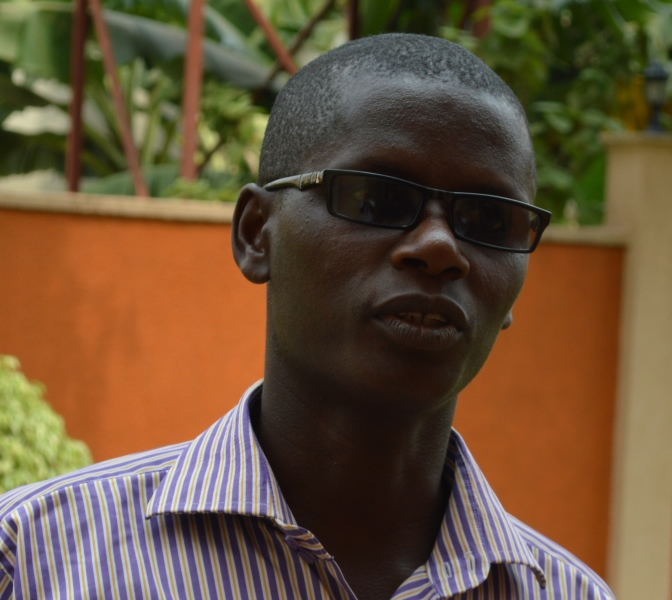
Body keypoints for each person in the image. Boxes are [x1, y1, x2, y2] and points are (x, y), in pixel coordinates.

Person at [0, 34, 613, 600]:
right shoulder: (35, 560)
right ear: (256, 233)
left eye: (489, 220)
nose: (438, 247)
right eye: (376, 198)